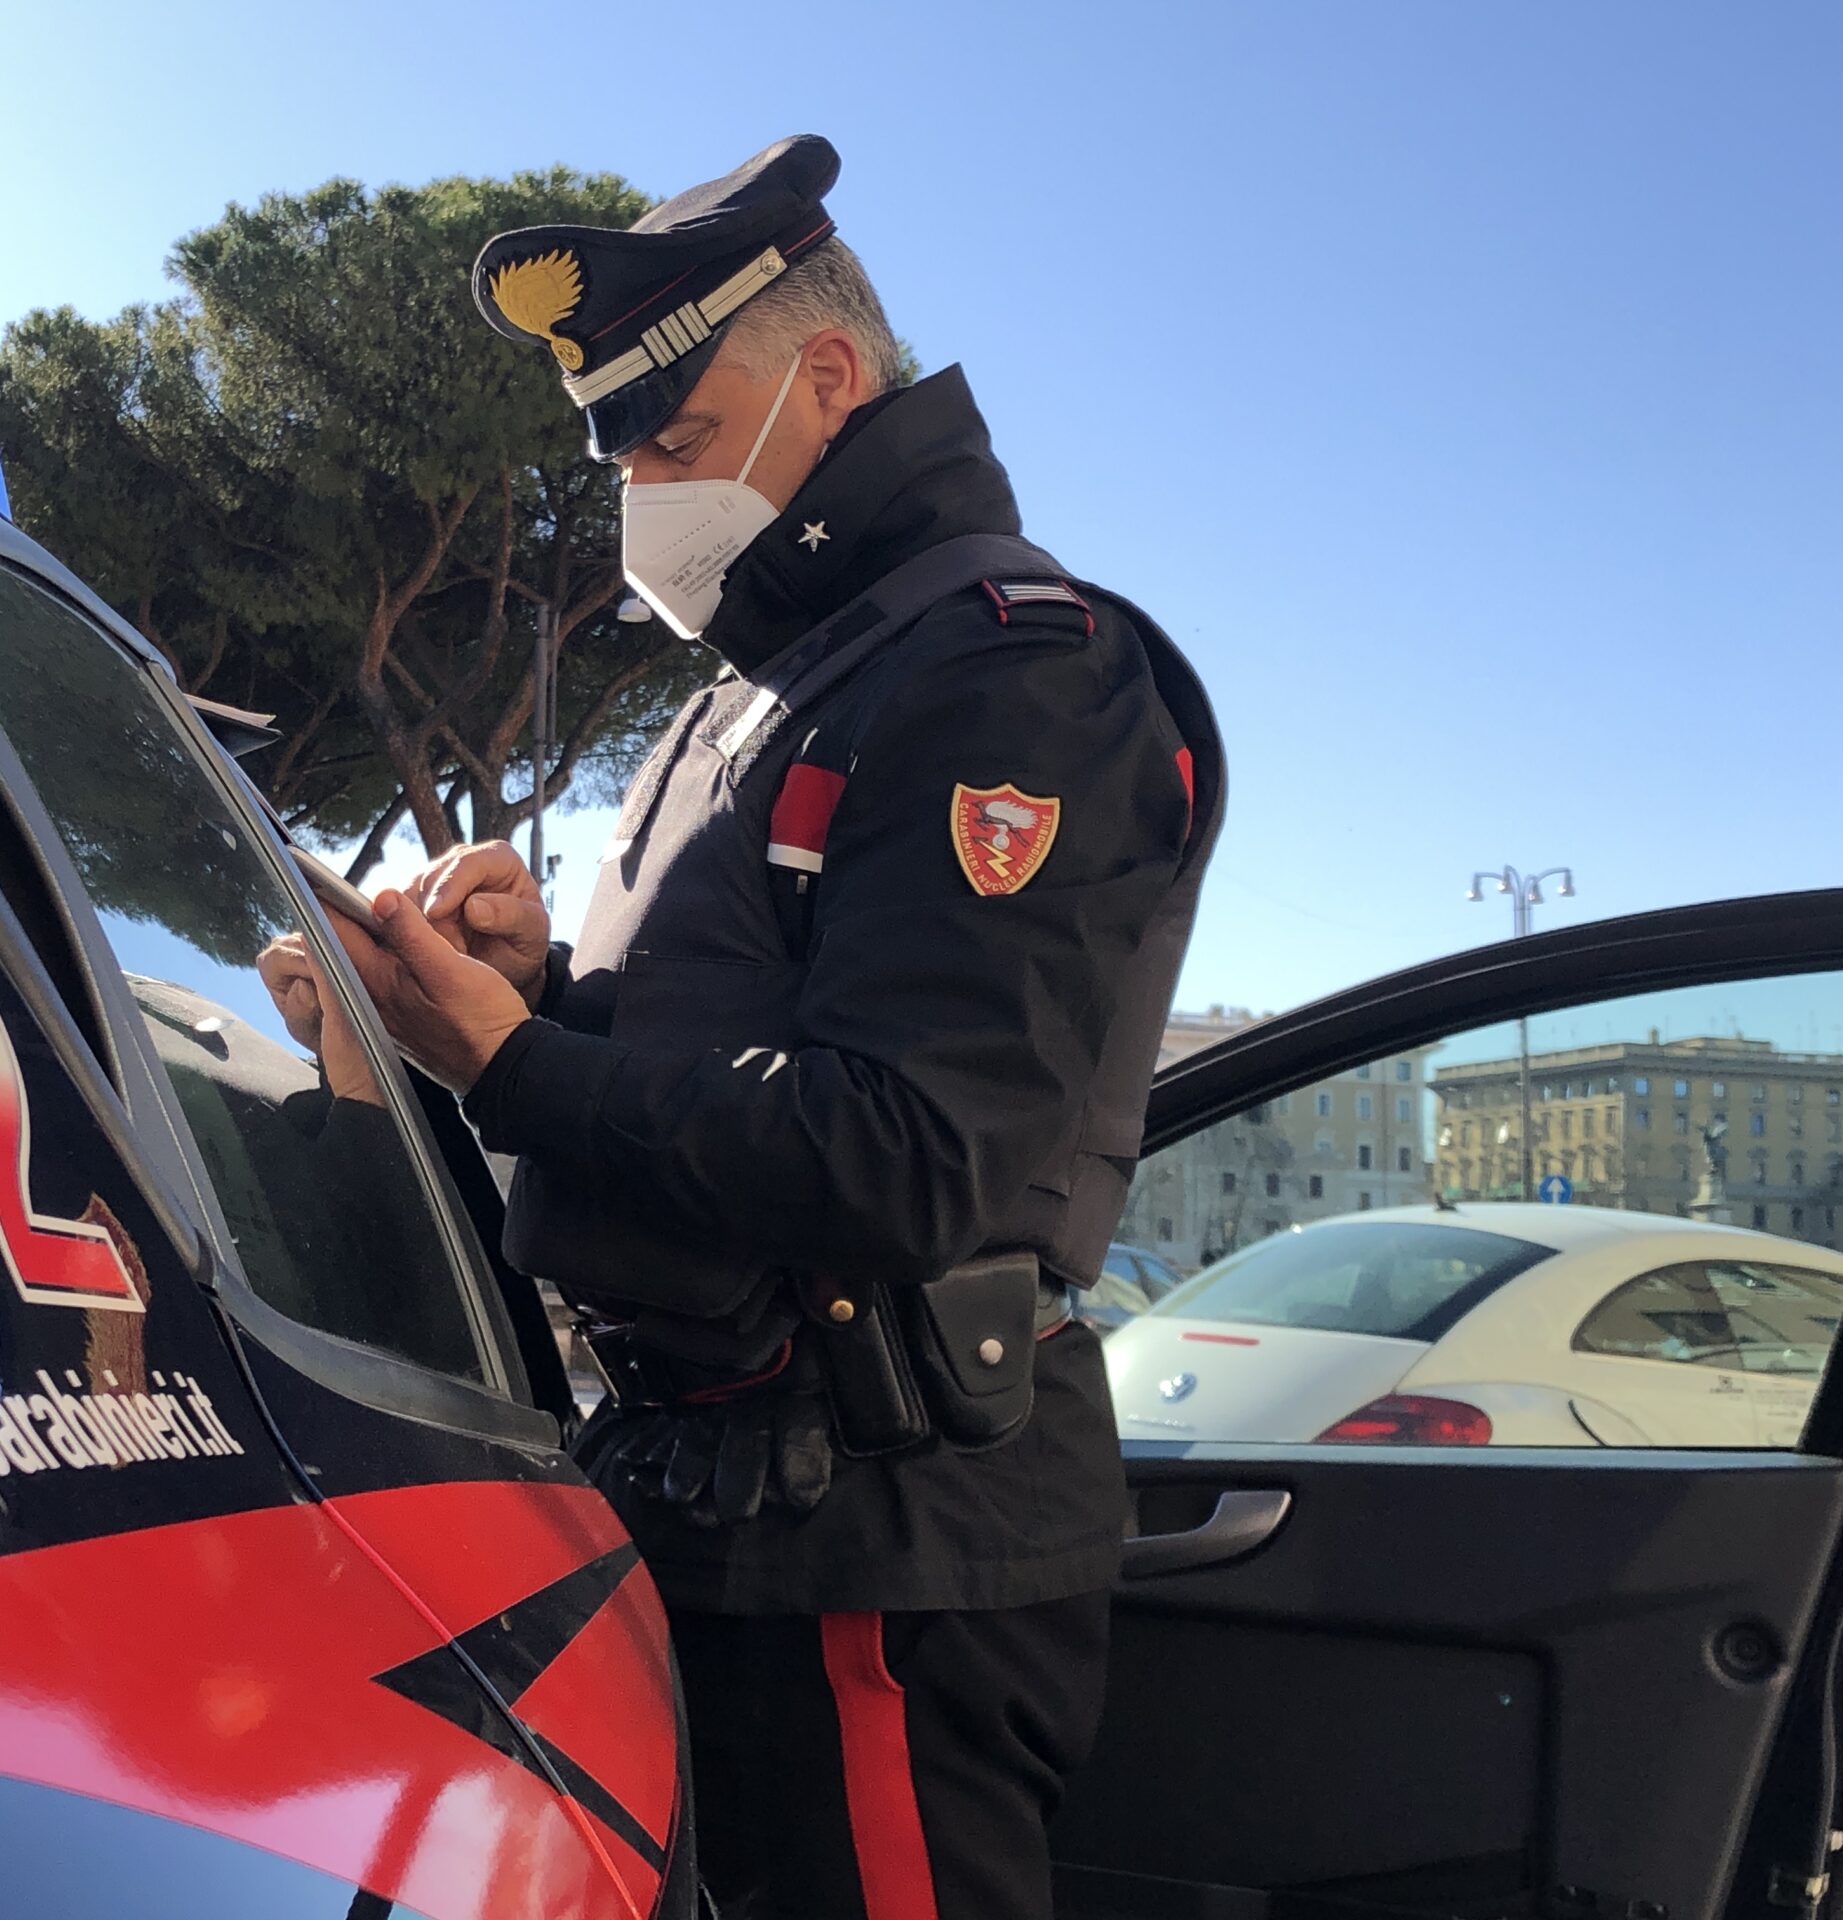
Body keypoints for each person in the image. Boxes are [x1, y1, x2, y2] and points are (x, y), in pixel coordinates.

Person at [317, 134, 1226, 1920]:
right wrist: (544, 995)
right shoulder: (779, 691)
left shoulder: (1006, 669)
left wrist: (512, 1061)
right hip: (732, 1515)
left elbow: (909, 1148)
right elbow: (733, 1054)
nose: (648, 492)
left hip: (885, 1550)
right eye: (625, 454)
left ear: (827, 374)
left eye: (674, 434)